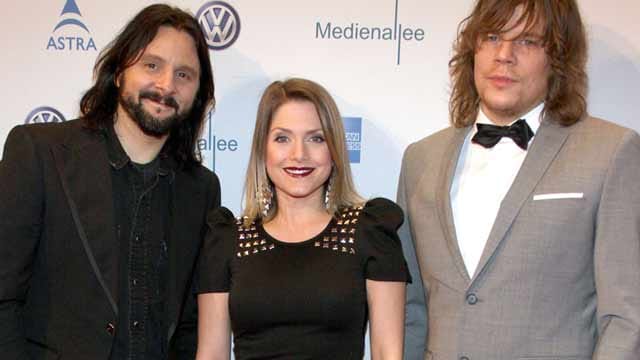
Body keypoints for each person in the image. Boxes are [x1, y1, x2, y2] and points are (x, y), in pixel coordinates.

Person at [398, 0, 640, 359]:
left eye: (527, 41)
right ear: (472, 49)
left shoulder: (611, 152)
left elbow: (625, 318)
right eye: (492, 36)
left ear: (558, 58)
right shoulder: (421, 159)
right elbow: (410, 310)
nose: (504, 55)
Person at [0, 4, 220, 359]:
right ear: (119, 72)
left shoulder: (202, 189)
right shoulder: (40, 154)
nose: (166, 85)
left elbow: (190, 325)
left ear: (197, 96)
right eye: (152, 65)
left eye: (184, 75)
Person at [195, 78, 411, 359]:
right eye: (283, 138)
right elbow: (211, 354)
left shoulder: (369, 232)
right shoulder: (227, 239)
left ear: (333, 151)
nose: (299, 154)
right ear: (263, 149)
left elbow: (387, 353)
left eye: (316, 138)